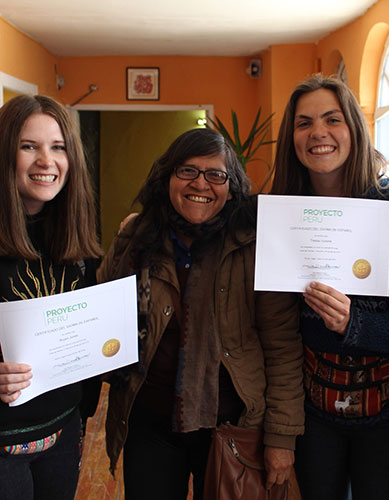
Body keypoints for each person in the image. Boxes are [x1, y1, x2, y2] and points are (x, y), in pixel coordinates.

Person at [97, 128, 304, 500]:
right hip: (149, 424)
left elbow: (282, 348)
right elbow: (100, 317)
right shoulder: (136, 238)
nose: (201, 183)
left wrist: (281, 437)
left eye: (215, 174)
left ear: (231, 187)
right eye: (188, 171)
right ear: (167, 178)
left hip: (233, 426)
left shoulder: (255, 246)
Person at [270, 75, 389, 500]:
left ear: (354, 128)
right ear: (292, 138)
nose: (318, 132)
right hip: (313, 411)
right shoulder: (281, 214)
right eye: (304, 123)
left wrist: (351, 323)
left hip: (388, 412)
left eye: (332, 119)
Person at [0, 95, 102, 500]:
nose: (47, 161)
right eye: (29, 146)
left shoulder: (74, 236)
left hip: (62, 432)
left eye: (58, 147)